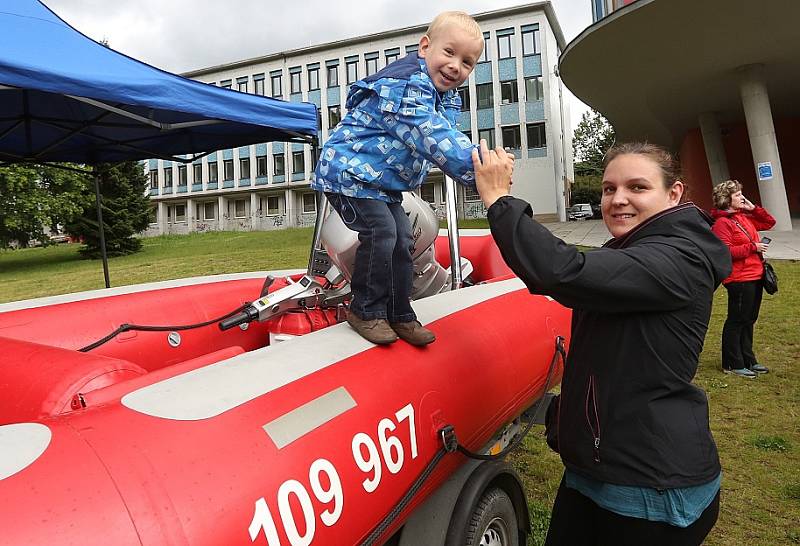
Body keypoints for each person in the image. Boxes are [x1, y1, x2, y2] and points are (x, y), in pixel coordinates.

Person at [472, 141, 732, 546]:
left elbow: (563, 272)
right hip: (595, 468)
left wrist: (499, 199)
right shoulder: (637, 248)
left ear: (674, 193)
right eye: (609, 189)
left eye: (637, 188)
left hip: (649, 491)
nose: (618, 199)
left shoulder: (679, 258)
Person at [311, 11, 486, 346]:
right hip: (349, 172)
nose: (455, 66)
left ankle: (400, 313)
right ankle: (365, 310)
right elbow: (431, 134)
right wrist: (478, 168)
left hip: (379, 182)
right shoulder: (407, 87)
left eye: (467, 62)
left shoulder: (441, 96)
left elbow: (446, 128)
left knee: (403, 237)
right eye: (449, 53)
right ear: (424, 47)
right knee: (382, 231)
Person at [710, 180, 776, 378]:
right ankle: (732, 363)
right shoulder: (722, 223)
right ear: (726, 199)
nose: (742, 198)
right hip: (739, 279)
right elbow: (723, 251)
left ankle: (748, 359)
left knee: (749, 320)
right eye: (738, 195)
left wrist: (753, 208)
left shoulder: (742, 217)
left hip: (755, 276)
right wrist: (752, 247)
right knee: (737, 320)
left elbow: (769, 222)